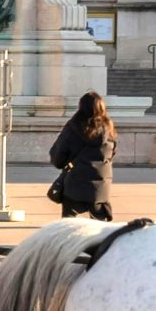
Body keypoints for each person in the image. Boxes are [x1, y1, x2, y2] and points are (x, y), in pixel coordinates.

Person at [47, 91, 117, 220]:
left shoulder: (73, 127)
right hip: (100, 187)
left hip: (76, 183)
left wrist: (60, 162)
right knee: (100, 225)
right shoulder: (109, 128)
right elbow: (112, 153)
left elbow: (59, 155)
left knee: (69, 220)